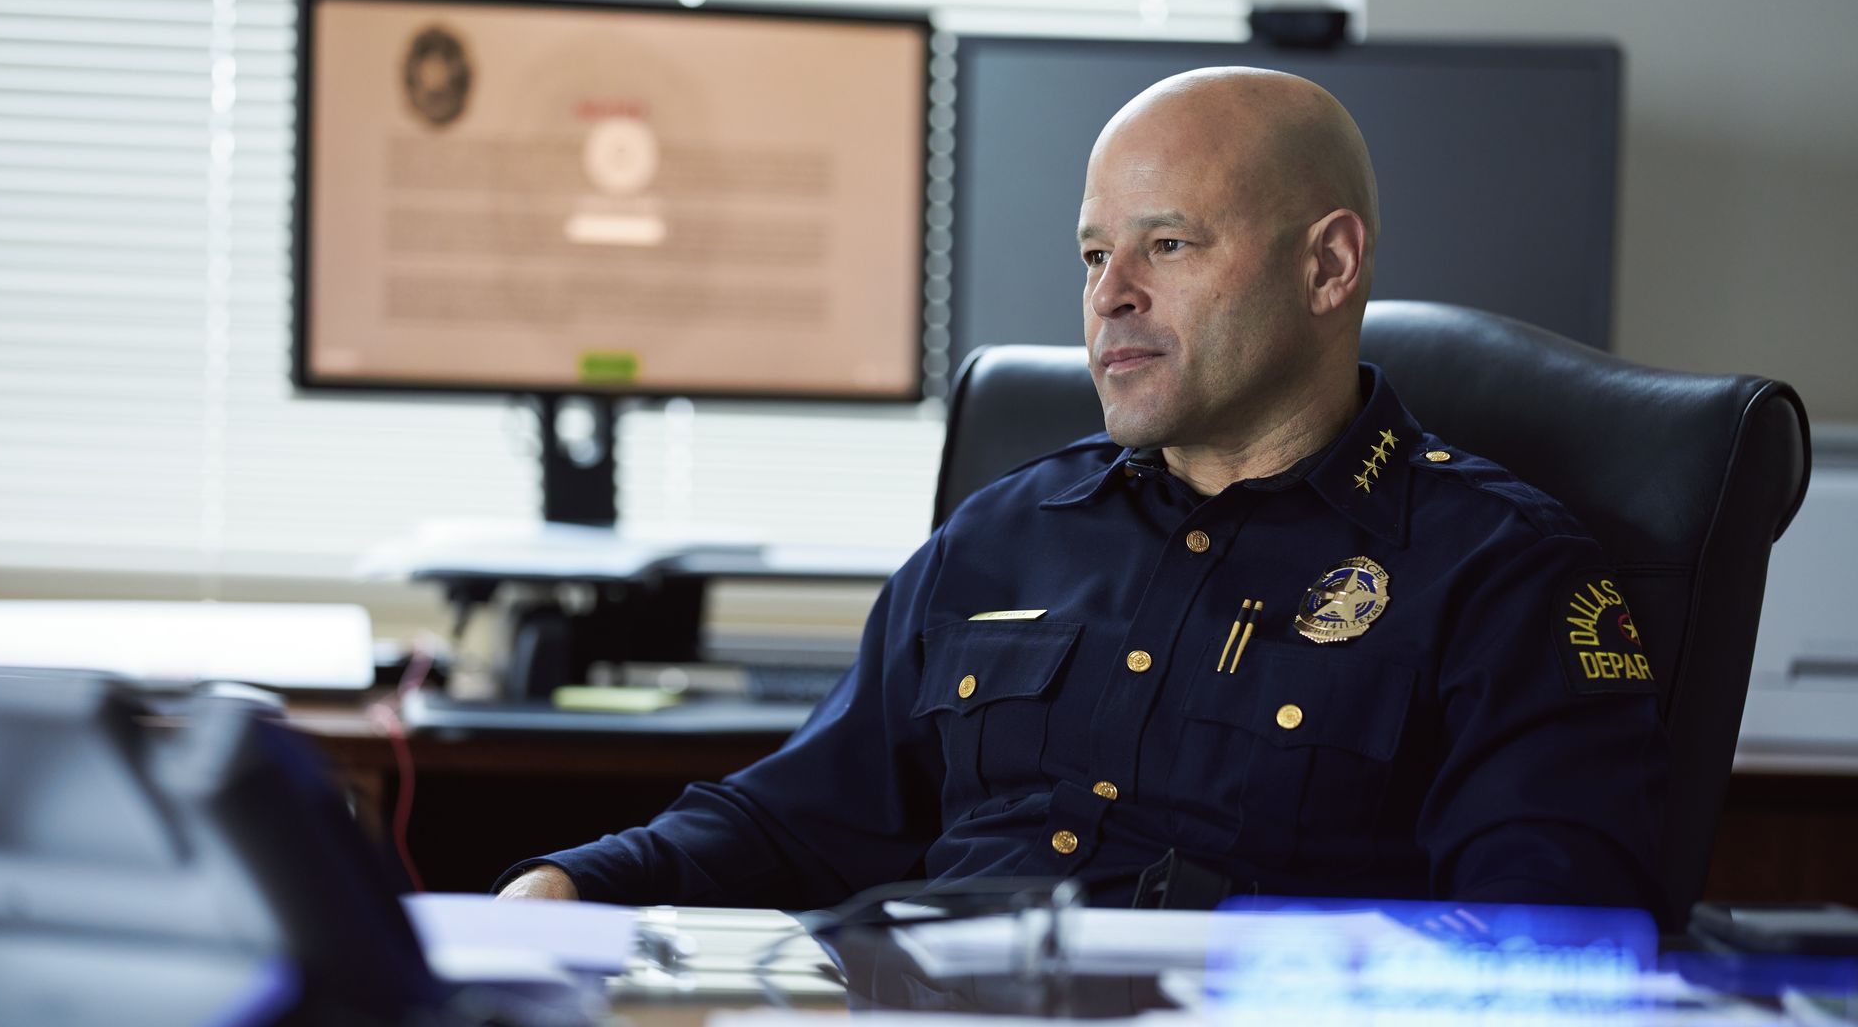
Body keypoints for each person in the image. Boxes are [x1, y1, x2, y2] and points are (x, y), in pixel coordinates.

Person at [496, 67, 1668, 914]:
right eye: (1095, 255)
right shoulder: (1004, 534)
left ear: (1329, 264)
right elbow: (795, 817)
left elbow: (1549, 942)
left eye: (1168, 246)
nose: (1110, 297)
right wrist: (574, 882)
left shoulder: (1497, 573)